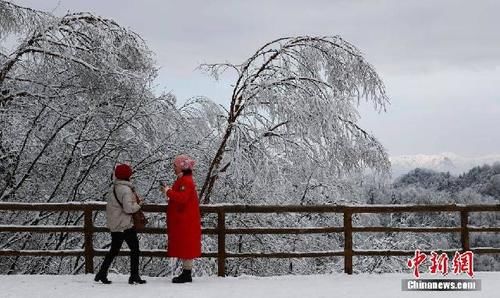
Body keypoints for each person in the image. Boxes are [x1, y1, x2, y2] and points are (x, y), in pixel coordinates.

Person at [94, 163, 146, 285]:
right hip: (125, 225)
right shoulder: (126, 190)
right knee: (135, 249)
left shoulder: (114, 188)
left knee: (114, 250)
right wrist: (139, 205)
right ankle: (134, 275)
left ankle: (102, 273)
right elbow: (128, 209)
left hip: (115, 224)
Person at [161, 154, 201, 283]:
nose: (173, 168)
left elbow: (182, 198)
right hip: (183, 219)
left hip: (185, 220)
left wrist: (168, 191)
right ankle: (186, 273)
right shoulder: (183, 179)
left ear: (181, 167)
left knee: (186, 245)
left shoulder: (186, 181)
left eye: (175, 165)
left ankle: (186, 274)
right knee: (185, 246)